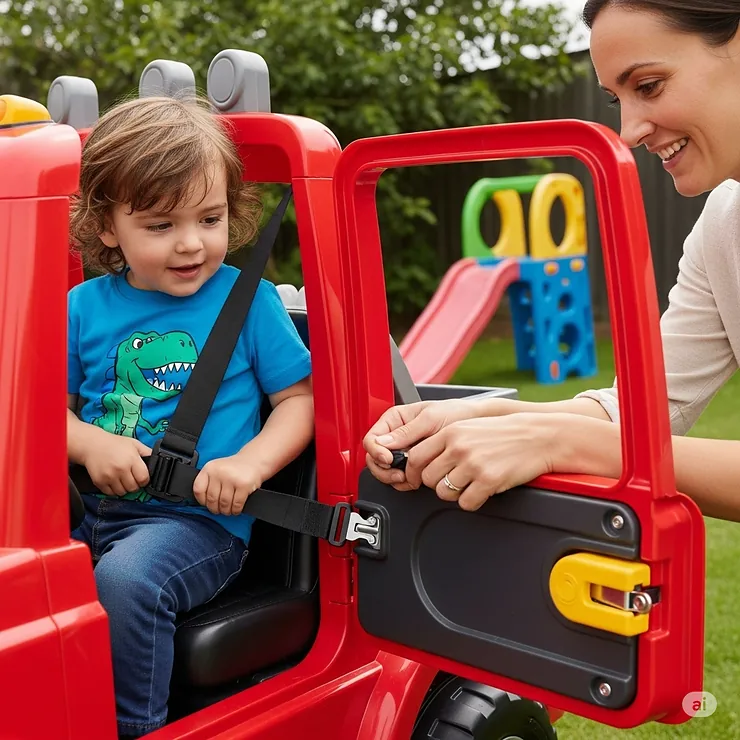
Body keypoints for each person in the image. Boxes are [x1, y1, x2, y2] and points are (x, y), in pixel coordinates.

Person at [364, 0, 740, 522]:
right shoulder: (723, 225)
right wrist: (478, 415)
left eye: (649, 86)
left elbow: (604, 439)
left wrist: (570, 443)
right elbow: (643, 411)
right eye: (616, 100)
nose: (629, 131)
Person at [66, 95, 314, 739]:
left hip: (200, 525)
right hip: (90, 509)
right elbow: (44, 415)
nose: (191, 243)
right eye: (159, 225)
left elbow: (301, 400)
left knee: (128, 580)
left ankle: (132, 728)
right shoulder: (82, 308)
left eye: (209, 217)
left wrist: (248, 463)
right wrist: (90, 442)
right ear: (107, 226)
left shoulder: (248, 302)